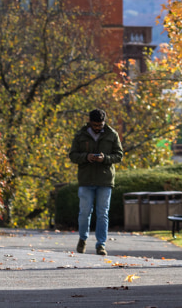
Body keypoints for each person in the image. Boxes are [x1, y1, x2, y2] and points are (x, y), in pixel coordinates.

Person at [67, 108, 124, 255]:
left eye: (100, 125)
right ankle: (83, 238)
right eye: (95, 125)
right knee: (84, 212)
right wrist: (86, 157)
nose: (98, 128)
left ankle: (101, 244)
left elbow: (119, 155)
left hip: (105, 180)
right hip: (86, 179)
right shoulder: (80, 135)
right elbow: (73, 155)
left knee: (103, 213)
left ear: (104, 122)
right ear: (90, 122)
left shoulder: (112, 135)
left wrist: (105, 158)